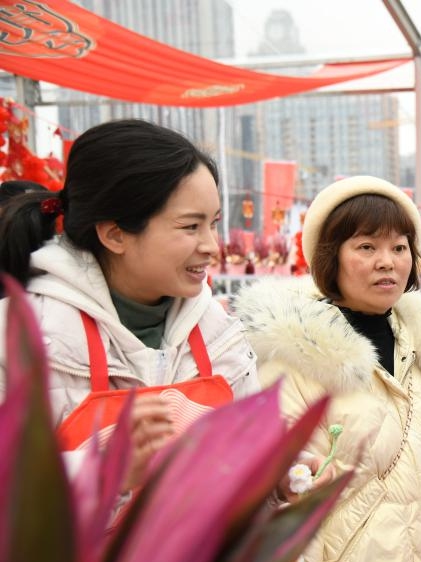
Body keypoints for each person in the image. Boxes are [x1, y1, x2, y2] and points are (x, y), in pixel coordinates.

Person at [233, 176, 421, 562]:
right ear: (330, 258)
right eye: (366, 246)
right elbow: (284, 517)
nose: (388, 261)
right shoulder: (296, 366)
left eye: (399, 247)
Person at [0, 119, 258, 494]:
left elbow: (249, 447)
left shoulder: (219, 330)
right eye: (190, 227)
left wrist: (276, 476)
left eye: (213, 223)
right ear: (115, 234)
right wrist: (101, 471)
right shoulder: (17, 337)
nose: (211, 246)